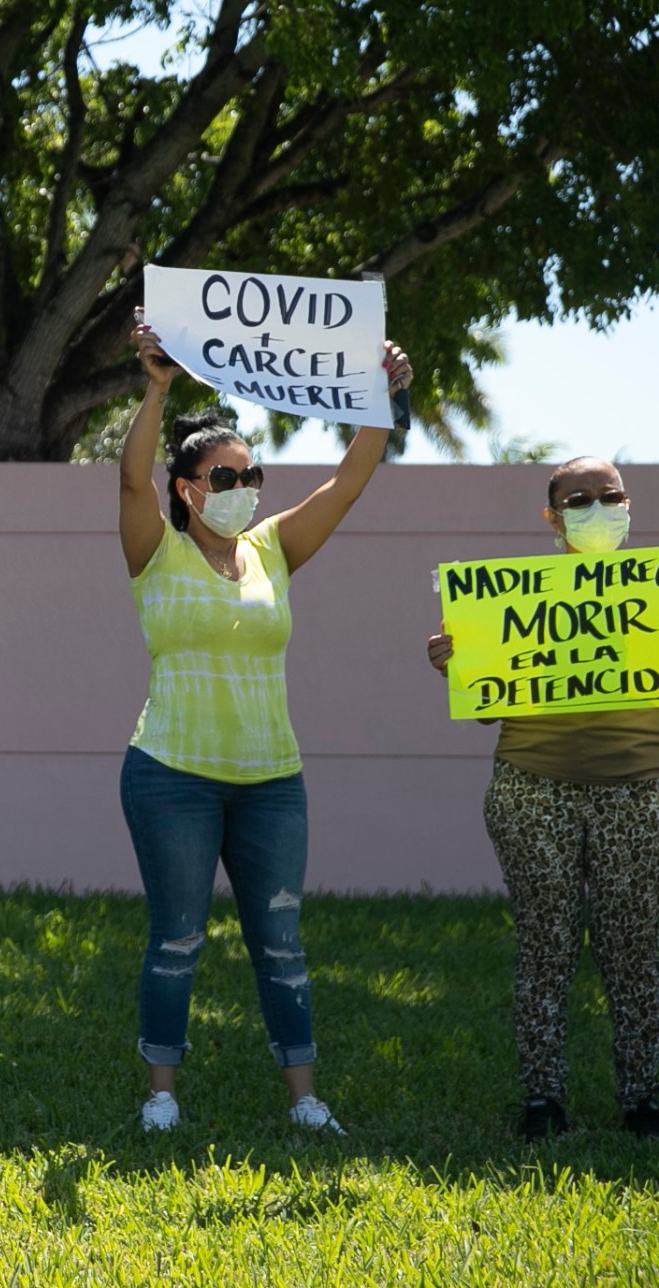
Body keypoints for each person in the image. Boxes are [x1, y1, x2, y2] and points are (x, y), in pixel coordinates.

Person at [114, 320, 413, 1135]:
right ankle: (161, 1097)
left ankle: (306, 1100)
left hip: (273, 783)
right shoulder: (155, 550)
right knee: (177, 939)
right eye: (226, 473)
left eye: (253, 471)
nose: (245, 482)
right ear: (188, 487)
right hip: (170, 774)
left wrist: (378, 399)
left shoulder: (273, 547)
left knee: (281, 943)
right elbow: (129, 478)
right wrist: (158, 384)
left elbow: (349, 482)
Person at [425, 458, 659, 1140]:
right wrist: (458, 658)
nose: (595, 507)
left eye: (608, 496)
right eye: (578, 499)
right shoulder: (507, 600)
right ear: (551, 515)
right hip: (530, 789)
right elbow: (483, 709)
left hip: (641, 792)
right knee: (545, 944)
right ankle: (543, 1101)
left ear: (630, 505)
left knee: (633, 945)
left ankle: (643, 1102)